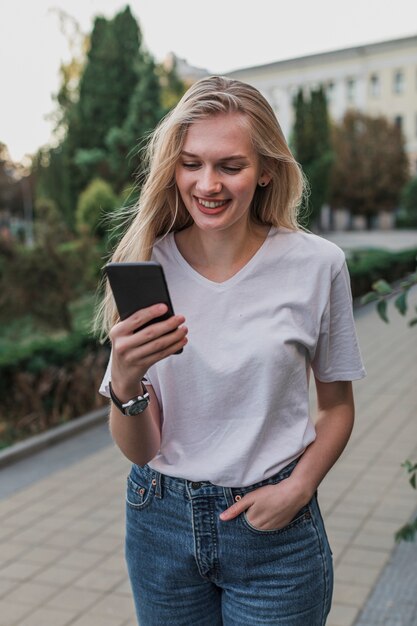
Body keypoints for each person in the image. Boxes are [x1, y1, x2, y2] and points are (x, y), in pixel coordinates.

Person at [98, 75, 366, 626]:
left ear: (266, 169)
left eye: (230, 165)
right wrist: (125, 381)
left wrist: (298, 488)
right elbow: (141, 450)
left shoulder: (317, 265)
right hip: (160, 521)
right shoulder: (147, 265)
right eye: (191, 163)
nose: (207, 184)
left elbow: (337, 408)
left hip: (275, 533)